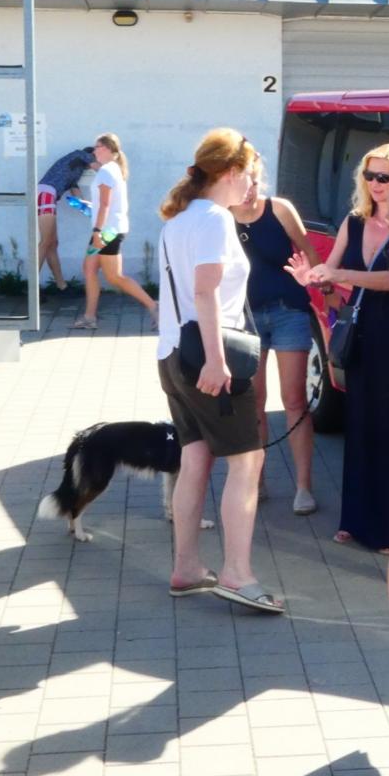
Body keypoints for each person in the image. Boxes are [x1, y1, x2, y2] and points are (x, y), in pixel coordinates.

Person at [156, 128, 283, 615]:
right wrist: (216, 359)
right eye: (249, 175)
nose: (253, 185)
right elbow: (205, 291)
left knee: (195, 460)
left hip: (172, 355)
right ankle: (237, 574)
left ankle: (187, 568)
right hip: (207, 358)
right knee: (246, 462)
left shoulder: (179, 220)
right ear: (230, 172)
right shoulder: (214, 220)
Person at [289, 144, 389, 552]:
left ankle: (388, 529)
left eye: (385, 177)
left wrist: (338, 274)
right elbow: (330, 272)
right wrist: (314, 277)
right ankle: (353, 521)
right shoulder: (355, 221)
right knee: (358, 426)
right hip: (359, 332)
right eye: (370, 176)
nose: (376, 184)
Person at [229, 157, 322, 516]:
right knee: (254, 400)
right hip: (246, 317)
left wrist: (320, 286)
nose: (250, 190)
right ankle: (258, 481)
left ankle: (304, 486)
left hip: (287, 311)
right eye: (243, 183)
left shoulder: (279, 209)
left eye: (254, 182)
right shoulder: (222, 217)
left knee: (294, 398)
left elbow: (308, 250)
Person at [72, 133, 159, 330]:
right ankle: (89, 317)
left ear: (106, 148)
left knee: (114, 277)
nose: (94, 151)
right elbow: (105, 204)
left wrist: (97, 231)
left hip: (107, 232)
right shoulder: (111, 170)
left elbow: (105, 204)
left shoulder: (106, 171)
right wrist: (90, 208)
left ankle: (154, 306)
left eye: (97, 147)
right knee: (89, 268)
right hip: (107, 230)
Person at [36, 145, 98, 290]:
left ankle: (62, 286)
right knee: (45, 242)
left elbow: (80, 201)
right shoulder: (79, 154)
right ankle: (31, 288)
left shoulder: (74, 174)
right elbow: (98, 166)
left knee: (52, 243)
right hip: (46, 193)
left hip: (47, 195)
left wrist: (97, 213)